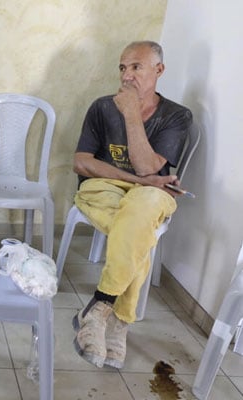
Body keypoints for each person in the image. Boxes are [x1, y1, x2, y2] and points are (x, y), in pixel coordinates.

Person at [72, 41, 193, 369]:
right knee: (140, 232)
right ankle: (120, 320)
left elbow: (146, 167)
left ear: (159, 70)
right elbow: (81, 163)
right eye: (123, 68)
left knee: (140, 216)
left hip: (150, 193)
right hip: (103, 188)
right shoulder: (101, 106)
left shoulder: (177, 116)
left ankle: (101, 307)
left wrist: (130, 114)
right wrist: (141, 182)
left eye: (136, 67)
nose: (127, 75)